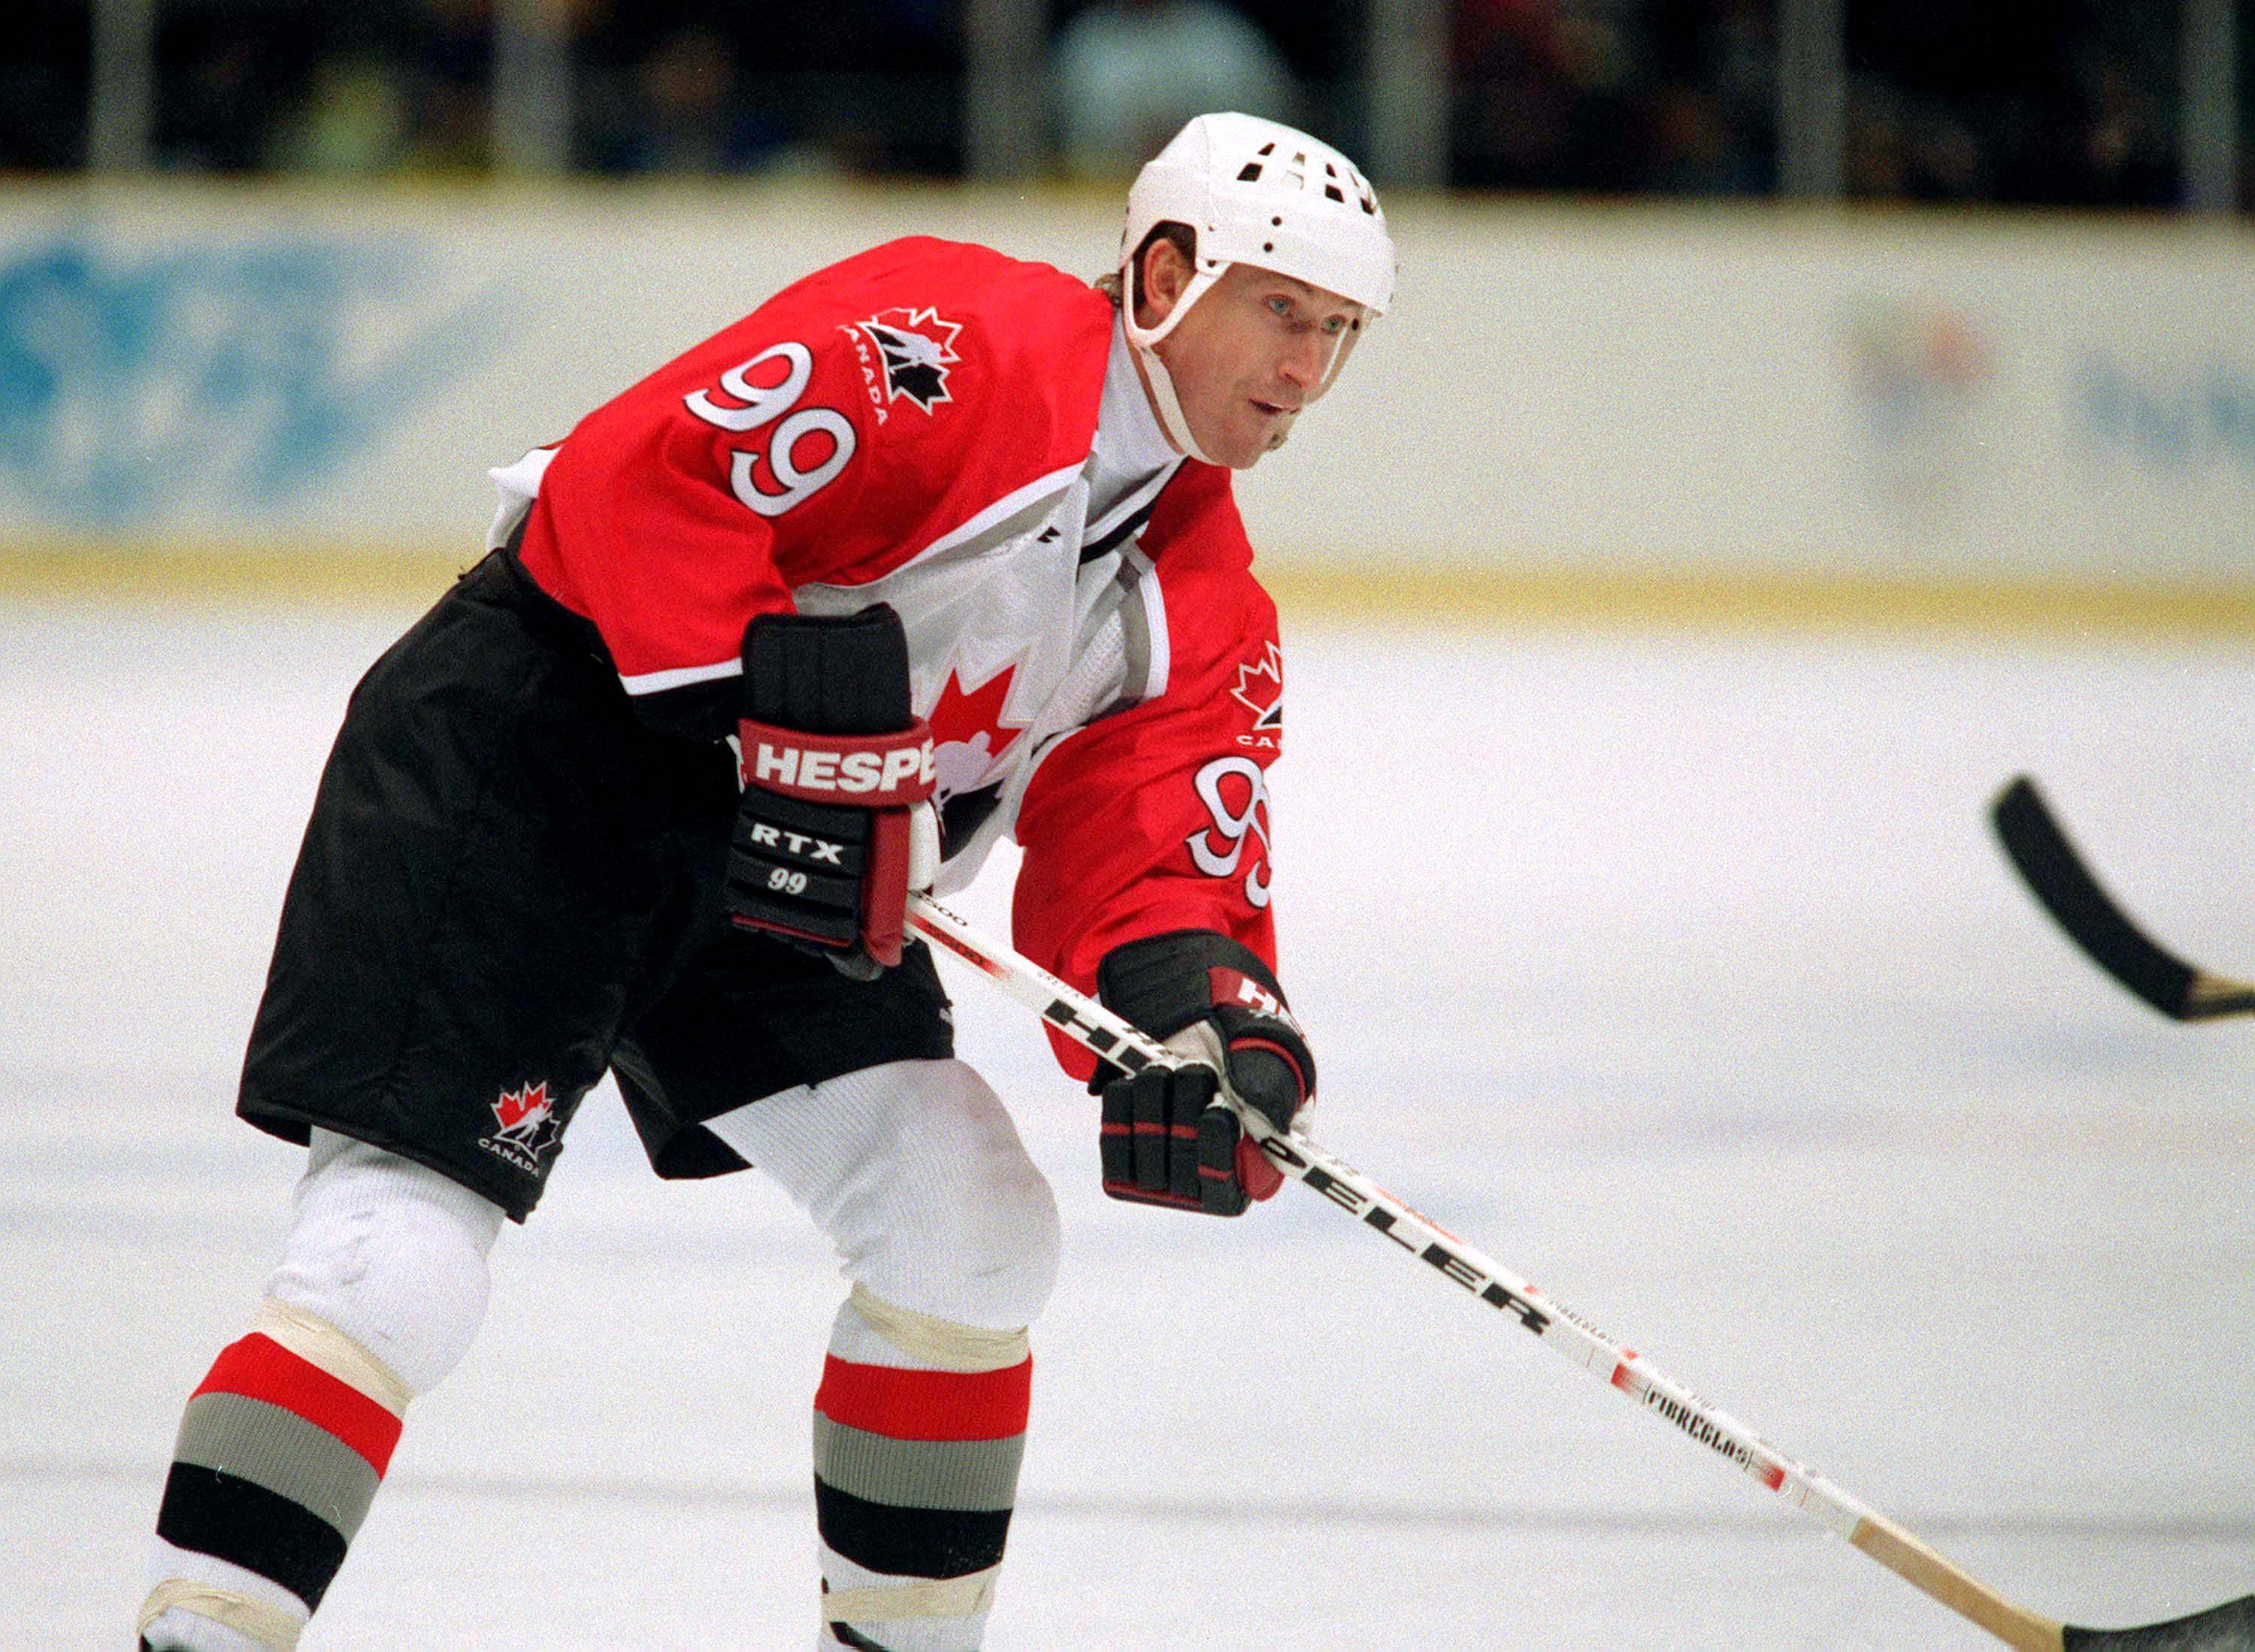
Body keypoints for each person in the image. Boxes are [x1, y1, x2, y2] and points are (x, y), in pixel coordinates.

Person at [138, 109, 1395, 1652]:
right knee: (395, 1257)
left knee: (973, 1224)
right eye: (1281, 310)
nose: (1304, 367)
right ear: (1162, 273)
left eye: (1336, 333)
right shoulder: (952, 342)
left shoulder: (1205, 603)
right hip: (542, 751)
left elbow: (1153, 858)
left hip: (800, 854)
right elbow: (636, 481)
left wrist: (1207, 1023)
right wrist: (774, 727)